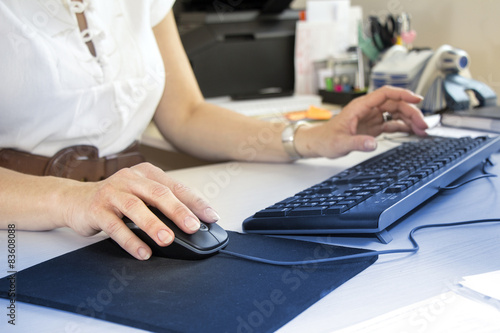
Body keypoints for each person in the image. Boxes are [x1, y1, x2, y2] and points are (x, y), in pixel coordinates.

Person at [0, 0, 428, 260]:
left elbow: (185, 113)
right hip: (18, 230)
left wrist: (308, 137)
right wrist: (71, 197)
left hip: (127, 216)